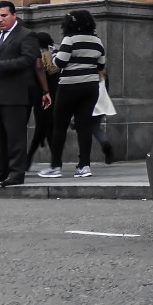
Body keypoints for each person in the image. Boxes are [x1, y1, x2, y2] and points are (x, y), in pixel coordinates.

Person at [37, 10, 105, 180]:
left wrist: (54, 54)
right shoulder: (97, 41)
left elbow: (59, 63)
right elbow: (100, 64)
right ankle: (84, 166)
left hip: (69, 87)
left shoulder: (70, 39)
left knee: (59, 126)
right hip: (90, 87)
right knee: (84, 127)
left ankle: (56, 166)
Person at [0, 1, 41, 187]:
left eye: (4, 15)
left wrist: (0, 65)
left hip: (15, 95)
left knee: (15, 136)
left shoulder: (26, 35)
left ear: (14, 15)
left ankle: (16, 174)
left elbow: (28, 60)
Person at [26, 31, 59, 171]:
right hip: (54, 97)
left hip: (41, 97)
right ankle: (55, 160)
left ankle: (29, 160)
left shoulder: (37, 58)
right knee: (47, 128)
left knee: (42, 128)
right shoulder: (55, 57)